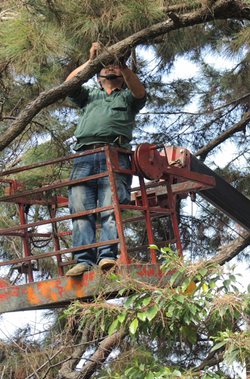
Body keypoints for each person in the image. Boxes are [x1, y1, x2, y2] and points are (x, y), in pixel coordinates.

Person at [65, 43, 146, 277]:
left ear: (122, 73)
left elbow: (140, 92)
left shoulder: (128, 96)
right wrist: (91, 62)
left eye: (115, 66)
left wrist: (123, 66)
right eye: (106, 66)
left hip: (116, 153)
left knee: (112, 207)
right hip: (85, 155)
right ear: (98, 77)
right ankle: (84, 260)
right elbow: (68, 84)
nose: (110, 68)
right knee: (80, 207)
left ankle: (108, 257)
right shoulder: (88, 94)